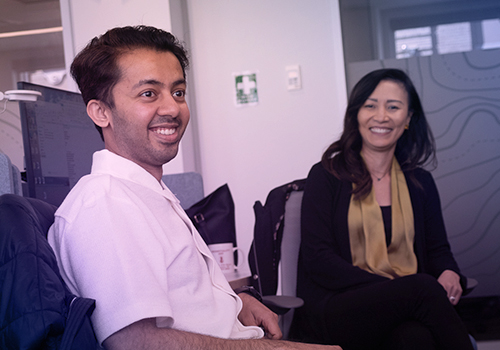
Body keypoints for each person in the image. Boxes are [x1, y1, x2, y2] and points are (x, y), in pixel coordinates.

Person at [47, 25, 341, 350]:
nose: (173, 109)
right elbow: (135, 342)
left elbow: (183, 297)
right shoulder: (106, 203)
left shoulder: (147, 193)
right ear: (101, 112)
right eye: (149, 93)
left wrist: (238, 301)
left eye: (178, 92)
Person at [289, 68, 474, 350]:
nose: (381, 116)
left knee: (415, 338)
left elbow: (438, 250)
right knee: (422, 289)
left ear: (408, 118)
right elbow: (318, 259)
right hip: (334, 307)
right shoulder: (327, 174)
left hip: (398, 305)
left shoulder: (420, 182)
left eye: (394, 107)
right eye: (371, 105)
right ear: (356, 115)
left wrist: (449, 271)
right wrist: (389, 287)